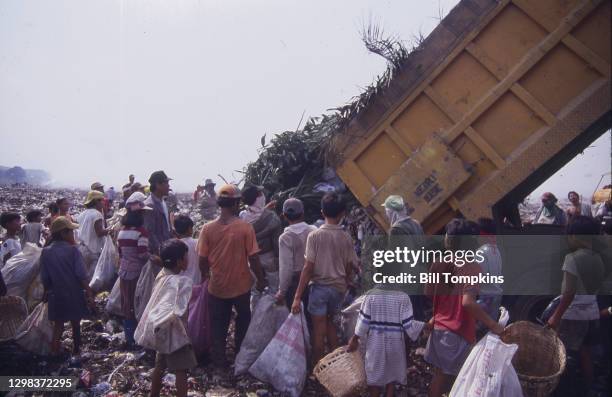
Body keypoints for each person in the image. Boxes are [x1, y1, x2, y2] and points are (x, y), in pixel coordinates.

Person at [424, 219, 504, 397]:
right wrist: (493, 324)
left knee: (439, 375)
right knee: (458, 380)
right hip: (459, 331)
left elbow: (429, 293)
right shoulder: (472, 268)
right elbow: (467, 302)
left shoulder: (438, 263)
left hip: (439, 328)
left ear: (448, 240)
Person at [197, 184, 267, 367]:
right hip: (241, 286)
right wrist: (260, 280)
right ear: (236, 204)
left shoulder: (207, 229)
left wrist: (206, 276)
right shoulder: (245, 228)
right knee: (243, 321)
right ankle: (239, 358)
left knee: (218, 324)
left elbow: (202, 260)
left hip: (217, 286)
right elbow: (254, 258)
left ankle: (219, 361)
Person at [291, 192, 358, 365]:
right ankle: (337, 365)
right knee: (332, 325)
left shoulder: (315, 236)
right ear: (343, 213)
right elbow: (351, 265)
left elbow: (308, 267)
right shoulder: (346, 237)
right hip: (338, 290)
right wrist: (348, 279)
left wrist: (297, 297)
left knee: (318, 330)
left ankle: (317, 367)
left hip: (319, 288)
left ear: (322, 213)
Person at [547, 216, 605, 389]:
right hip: (591, 314)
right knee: (585, 352)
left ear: (576, 236)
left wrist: (555, 317)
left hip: (573, 316)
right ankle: (589, 387)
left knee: (561, 352)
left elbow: (569, 292)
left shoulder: (572, 258)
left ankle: (561, 387)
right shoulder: (598, 258)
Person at [347, 286, 425, 397]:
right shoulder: (403, 297)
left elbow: (363, 322)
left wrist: (355, 338)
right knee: (392, 372)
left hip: (376, 343)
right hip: (396, 343)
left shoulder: (371, 295)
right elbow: (409, 325)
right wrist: (425, 326)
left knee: (374, 375)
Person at [148, 239, 197, 397]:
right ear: (179, 261)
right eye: (186, 256)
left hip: (160, 329)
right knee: (181, 369)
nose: (188, 259)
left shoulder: (162, 275)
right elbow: (180, 309)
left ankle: (153, 394)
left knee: (159, 366)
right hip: (175, 333)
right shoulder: (181, 282)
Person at [40, 217, 94, 356]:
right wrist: (89, 293)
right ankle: (76, 350)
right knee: (75, 323)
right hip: (73, 293)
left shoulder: (46, 251)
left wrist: (47, 291)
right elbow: (81, 275)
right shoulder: (73, 250)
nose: (72, 234)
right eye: (70, 232)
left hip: (55, 293)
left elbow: (45, 277)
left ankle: (54, 351)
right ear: (64, 233)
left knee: (58, 325)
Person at [117, 192, 152, 350]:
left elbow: (121, 253)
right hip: (137, 273)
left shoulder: (122, 231)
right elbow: (142, 254)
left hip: (124, 271)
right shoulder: (141, 232)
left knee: (127, 304)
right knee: (138, 304)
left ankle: (129, 337)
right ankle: (136, 339)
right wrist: (154, 257)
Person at [382, 195, 426, 319]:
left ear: (392, 212)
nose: (386, 214)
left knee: (411, 311)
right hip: (420, 270)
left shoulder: (395, 230)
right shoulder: (416, 223)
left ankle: (417, 335)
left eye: (387, 211)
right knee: (419, 307)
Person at [275, 198, 317, 309]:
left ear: (284, 216)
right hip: (315, 281)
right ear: (302, 213)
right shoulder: (314, 231)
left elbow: (286, 268)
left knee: (298, 323)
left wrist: (281, 292)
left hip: (295, 285)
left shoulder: (285, 238)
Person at [240, 184, 282, 293]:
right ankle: (272, 308)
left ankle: (255, 308)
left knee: (254, 289)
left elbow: (256, 213)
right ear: (258, 199)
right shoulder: (272, 218)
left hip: (251, 259)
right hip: (269, 258)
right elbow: (276, 243)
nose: (263, 195)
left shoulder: (242, 217)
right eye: (260, 194)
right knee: (274, 289)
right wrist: (278, 260)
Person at [77, 191, 110, 279]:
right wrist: (112, 229)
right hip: (93, 250)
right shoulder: (97, 214)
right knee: (93, 278)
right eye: (101, 200)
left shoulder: (82, 214)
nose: (103, 202)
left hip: (82, 248)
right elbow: (99, 233)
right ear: (96, 202)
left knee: (84, 276)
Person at [476, 217, 503, 324]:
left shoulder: (480, 252)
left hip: (485, 298)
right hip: (496, 296)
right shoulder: (496, 250)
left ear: (481, 233)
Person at [144, 171, 173, 257]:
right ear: (158, 185)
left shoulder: (162, 201)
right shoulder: (150, 205)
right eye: (166, 183)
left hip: (166, 247)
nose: (169, 186)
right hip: (158, 252)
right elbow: (150, 233)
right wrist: (160, 251)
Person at [174, 214, 200, 286]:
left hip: (179, 284)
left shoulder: (174, 245)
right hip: (195, 283)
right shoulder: (198, 243)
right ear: (189, 229)